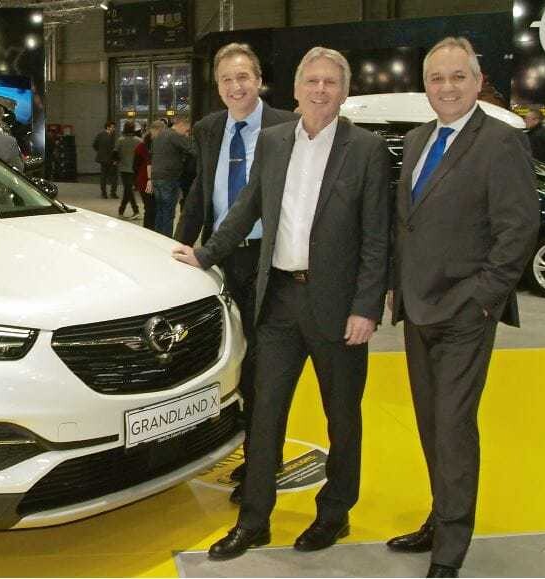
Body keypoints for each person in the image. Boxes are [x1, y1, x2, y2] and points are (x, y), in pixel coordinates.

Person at [172, 46, 390, 560]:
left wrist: (367, 307)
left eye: (330, 83)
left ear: (344, 91)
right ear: (294, 90)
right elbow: (244, 210)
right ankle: (254, 519)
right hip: (280, 303)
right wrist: (203, 255)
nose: (319, 91)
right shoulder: (273, 143)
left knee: (343, 416)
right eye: (311, 81)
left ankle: (334, 513)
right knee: (266, 411)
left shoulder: (366, 150)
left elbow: (378, 238)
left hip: (339, 309)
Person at [386, 37, 539, 578]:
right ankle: (440, 513)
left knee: (452, 426)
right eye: (436, 78)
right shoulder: (419, 138)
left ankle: (451, 546)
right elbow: (409, 223)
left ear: (477, 83)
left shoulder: (500, 142)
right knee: (430, 425)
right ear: (424, 86)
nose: (446, 87)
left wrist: (482, 301)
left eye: (457, 77)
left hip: (464, 314)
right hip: (418, 310)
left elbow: (518, 230)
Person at [176, 42, 298, 504]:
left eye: (243, 76)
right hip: (221, 261)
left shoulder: (287, 124)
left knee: (268, 369)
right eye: (226, 79)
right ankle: (255, 450)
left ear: (260, 79)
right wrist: (180, 245)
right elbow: (199, 192)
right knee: (234, 361)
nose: (235, 86)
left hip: (272, 262)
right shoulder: (209, 129)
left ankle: (264, 460)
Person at [151, 117, 194, 237]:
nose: (186, 133)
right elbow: (192, 149)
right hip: (169, 178)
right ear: (180, 125)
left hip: (157, 177)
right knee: (168, 213)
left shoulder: (160, 135)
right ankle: (165, 240)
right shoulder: (174, 136)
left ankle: (157, 238)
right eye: (186, 130)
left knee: (160, 211)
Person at [134, 120, 163, 231]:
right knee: (151, 209)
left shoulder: (142, 146)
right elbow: (136, 166)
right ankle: (149, 231)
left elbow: (135, 166)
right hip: (147, 181)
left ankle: (150, 230)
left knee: (151, 209)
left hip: (148, 180)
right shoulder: (144, 147)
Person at [115, 121, 141, 219]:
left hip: (124, 168)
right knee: (128, 189)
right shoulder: (139, 141)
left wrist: (117, 161)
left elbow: (115, 154)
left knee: (128, 189)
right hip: (135, 169)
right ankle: (121, 210)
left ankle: (136, 210)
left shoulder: (120, 140)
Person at [93, 121, 118, 199]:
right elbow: (114, 149)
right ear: (108, 127)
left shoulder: (100, 135)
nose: (114, 129)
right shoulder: (112, 136)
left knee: (103, 176)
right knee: (114, 176)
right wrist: (115, 159)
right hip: (111, 159)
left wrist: (100, 151)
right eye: (113, 127)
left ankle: (104, 193)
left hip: (102, 159)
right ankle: (113, 193)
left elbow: (94, 145)